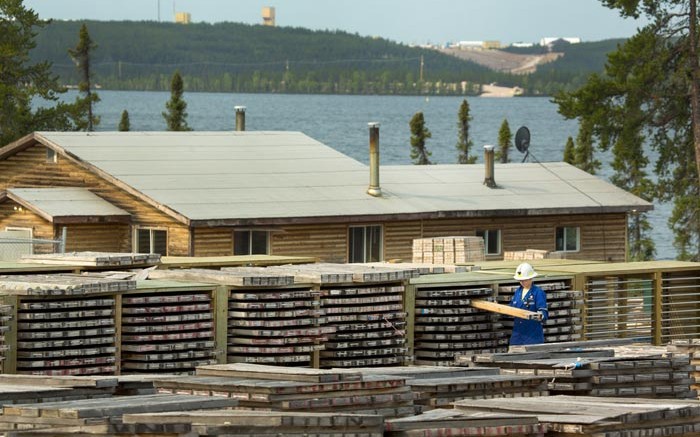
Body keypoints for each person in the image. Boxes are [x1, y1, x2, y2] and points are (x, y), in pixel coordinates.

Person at [509, 262, 548, 346]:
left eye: (524, 280)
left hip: (532, 336)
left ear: (531, 278)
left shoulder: (538, 293)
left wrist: (536, 316)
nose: (522, 282)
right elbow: (511, 308)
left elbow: (543, 313)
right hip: (517, 335)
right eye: (520, 280)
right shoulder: (518, 292)